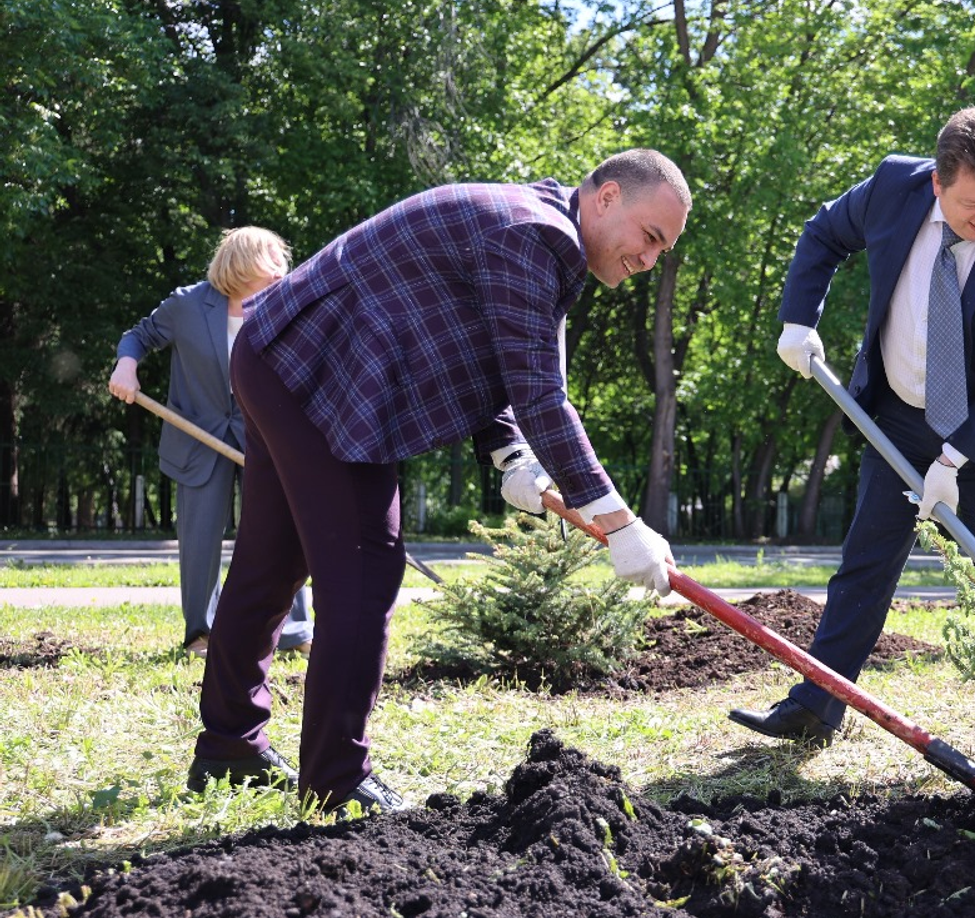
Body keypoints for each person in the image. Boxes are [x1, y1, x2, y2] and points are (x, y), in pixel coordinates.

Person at [186, 149, 689, 812]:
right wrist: (620, 522)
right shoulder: (537, 237)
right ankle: (335, 781)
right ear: (606, 198)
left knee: (269, 565)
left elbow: (490, 346)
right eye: (649, 237)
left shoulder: (536, 230)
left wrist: (510, 452)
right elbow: (541, 392)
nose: (650, 260)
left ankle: (229, 747)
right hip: (317, 373)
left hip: (281, 353)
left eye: (664, 249)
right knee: (365, 570)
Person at [728, 107, 975, 746]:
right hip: (897, 414)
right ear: (937, 185)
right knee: (865, 564)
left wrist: (952, 464)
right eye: (973, 202)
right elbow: (822, 236)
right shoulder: (893, 187)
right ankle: (818, 703)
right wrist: (797, 321)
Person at [108, 228, 315, 658]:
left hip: (266, 437)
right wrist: (126, 366)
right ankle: (200, 633)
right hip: (197, 437)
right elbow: (140, 335)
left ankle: (294, 632)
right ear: (243, 263)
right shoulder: (188, 304)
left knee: (283, 529)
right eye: (272, 259)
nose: (282, 269)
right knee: (200, 538)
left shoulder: (286, 305)